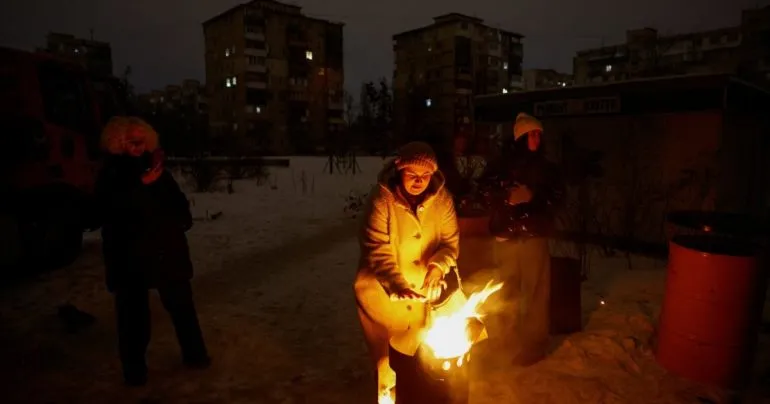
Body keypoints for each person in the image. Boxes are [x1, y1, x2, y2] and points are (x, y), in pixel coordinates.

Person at [95, 116, 209, 386]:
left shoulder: (156, 168)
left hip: (166, 249)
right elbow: (107, 210)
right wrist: (141, 186)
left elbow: (177, 201)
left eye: (142, 141)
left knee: (181, 305)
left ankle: (196, 355)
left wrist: (182, 219)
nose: (137, 146)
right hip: (130, 254)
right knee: (133, 316)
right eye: (131, 141)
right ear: (118, 142)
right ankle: (134, 371)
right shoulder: (111, 173)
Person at [353, 141, 460, 402]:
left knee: (421, 355)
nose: (419, 181)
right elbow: (376, 249)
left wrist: (437, 267)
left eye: (425, 176)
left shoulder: (442, 199)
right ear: (400, 171)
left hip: (425, 292)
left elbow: (450, 243)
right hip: (383, 292)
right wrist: (395, 284)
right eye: (413, 175)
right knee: (386, 358)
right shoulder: (382, 200)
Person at [477, 112, 563, 366]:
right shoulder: (500, 166)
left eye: (539, 133)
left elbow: (557, 198)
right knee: (505, 290)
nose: (536, 137)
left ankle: (534, 345)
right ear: (520, 137)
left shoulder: (547, 169)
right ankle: (503, 339)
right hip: (506, 237)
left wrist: (533, 198)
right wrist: (506, 197)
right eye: (531, 134)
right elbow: (483, 192)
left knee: (536, 291)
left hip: (534, 236)